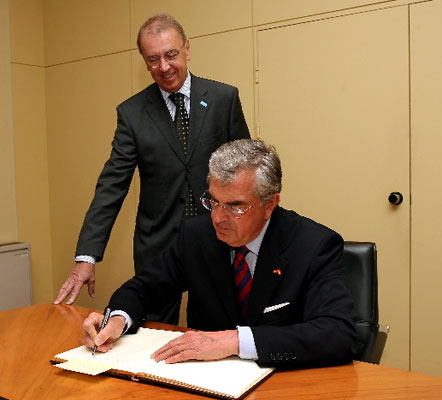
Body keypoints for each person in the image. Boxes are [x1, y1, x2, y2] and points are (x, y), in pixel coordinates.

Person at [82, 139, 358, 368]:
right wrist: (117, 320)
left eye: (235, 206)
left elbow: (338, 334)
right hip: (207, 380)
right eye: (213, 201)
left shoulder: (313, 245)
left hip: (282, 380)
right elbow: (143, 288)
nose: (218, 218)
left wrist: (234, 341)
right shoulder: (196, 236)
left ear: (270, 203)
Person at [54, 14, 250, 324]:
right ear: (144, 61)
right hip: (158, 246)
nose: (164, 67)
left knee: (217, 335)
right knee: (152, 338)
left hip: (218, 238)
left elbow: (246, 171)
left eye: (171, 54)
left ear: (187, 48)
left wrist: (253, 231)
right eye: (153, 59)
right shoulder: (132, 114)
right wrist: (86, 257)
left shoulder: (223, 99)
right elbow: (112, 185)